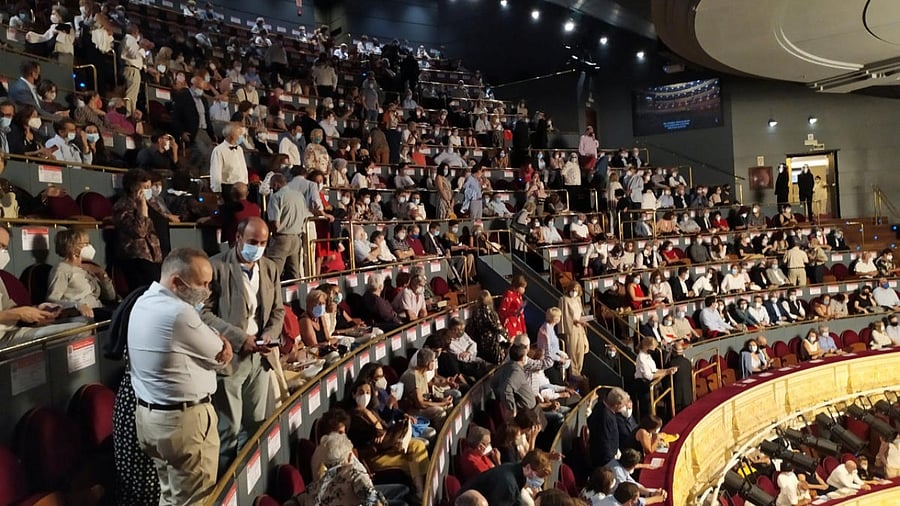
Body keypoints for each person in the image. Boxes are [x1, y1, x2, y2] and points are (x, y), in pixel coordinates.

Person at [129, 248, 232, 505]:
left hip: (151, 420)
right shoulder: (180, 313)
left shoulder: (143, 301)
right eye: (202, 284)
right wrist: (221, 341)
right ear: (176, 281)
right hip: (184, 425)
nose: (207, 291)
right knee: (194, 500)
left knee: (170, 496)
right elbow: (220, 354)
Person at [201, 217, 285, 472]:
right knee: (229, 429)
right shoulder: (215, 266)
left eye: (262, 243)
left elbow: (278, 311)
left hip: (261, 357)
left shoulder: (269, 268)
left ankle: (250, 481)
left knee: (256, 425)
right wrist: (240, 338)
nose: (257, 247)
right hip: (230, 360)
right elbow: (203, 313)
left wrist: (269, 334)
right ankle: (226, 484)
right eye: (252, 242)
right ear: (238, 238)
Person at [346, 380, 428, 499]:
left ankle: (422, 491)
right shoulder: (353, 417)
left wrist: (380, 418)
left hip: (387, 449)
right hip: (373, 457)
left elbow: (385, 427)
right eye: (361, 392)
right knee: (410, 464)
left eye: (368, 392)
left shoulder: (372, 410)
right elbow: (378, 432)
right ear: (354, 394)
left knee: (418, 445)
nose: (365, 395)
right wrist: (365, 412)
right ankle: (420, 493)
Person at [47, 229, 117, 319]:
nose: (90, 247)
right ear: (72, 247)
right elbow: (52, 301)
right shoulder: (62, 269)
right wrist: (78, 305)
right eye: (86, 244)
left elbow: (110, 297)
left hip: (100, 310)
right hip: (83, 316)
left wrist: (102, 275)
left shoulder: (88, 267)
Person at [113, 169, 163, 291]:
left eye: (149, 186)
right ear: (133, 188)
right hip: (137, 257)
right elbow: (139, 231)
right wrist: (142, 209)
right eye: (145, 187)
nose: (148, 190)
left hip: (155, 255)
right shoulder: (123, 206)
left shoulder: (151, 203)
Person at [459, 449, 553, 506]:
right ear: (528, 467)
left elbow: (517, 500)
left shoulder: (514, 470)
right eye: (539, 476)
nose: (541, 481)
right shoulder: (508, 484)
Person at [265, 174, 310, 280]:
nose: (272, 189)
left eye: (272, 187)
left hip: (281, 238)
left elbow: (275, 223)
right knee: (294, 275)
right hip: (296, 238)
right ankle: (297, 296)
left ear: (276, 184)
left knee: (273, 274)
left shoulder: (276, 197)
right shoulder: (299, 196)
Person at [171, 75, 216, 174]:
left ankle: (204, 176)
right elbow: (176, 117)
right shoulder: (183, 96)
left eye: (202, 88)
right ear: (192, 85)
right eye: (199, 88)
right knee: (202, 151)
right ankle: (190, 171)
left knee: (212, 154)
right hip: (193, 131)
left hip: (204, 131)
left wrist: (212, 135)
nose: (200, 90)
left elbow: (207, 118)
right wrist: (181, 132)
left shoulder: (203, 99)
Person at [399, 348, 452, 429]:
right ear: (428, 363)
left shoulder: (423, 373)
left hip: (420, 406)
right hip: (411, 410)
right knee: (439, 411)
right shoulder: (412, 376)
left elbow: (427, 396)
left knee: (448, 405)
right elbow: (420, 403)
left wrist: (441, 400)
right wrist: (441, 404)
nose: (434, 363)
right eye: (433, 361)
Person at [588, 387, 631, 468]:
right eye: (622, 405)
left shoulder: (601, 405)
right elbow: (604, 441)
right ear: (617, 404)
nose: (623, 407)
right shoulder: (605, 417)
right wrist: (612, 462)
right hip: (605, 462)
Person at [466, 290, 510, 364]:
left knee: (485, 362)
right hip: (492, 341)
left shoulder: (475, 312)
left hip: (480, 340)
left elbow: (473, 326)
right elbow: (497, 328)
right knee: (495, 362)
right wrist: (507, 337)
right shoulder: (491, 313)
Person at [210, 123, 249, 200]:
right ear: (232, 136)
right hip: (229, 188)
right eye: (240, 134)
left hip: (242, 187)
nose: (241, 137)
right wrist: (217, 191)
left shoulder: (239, 149)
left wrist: (246, 183)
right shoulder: (219, 150)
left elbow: (243, 168)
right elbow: (216, 172)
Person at [559, 282, 589, 377]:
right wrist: (576, 321)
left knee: (581, 350)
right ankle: (573, 373)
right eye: (573, 290)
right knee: (572, 351)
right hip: (571, 328)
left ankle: (578, 372)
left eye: (576, 290)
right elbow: (566, 316)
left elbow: (580, 313)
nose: (574, 292)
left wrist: (583, 320)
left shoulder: (578, 299)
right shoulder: (564, 299)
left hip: (580, 327)